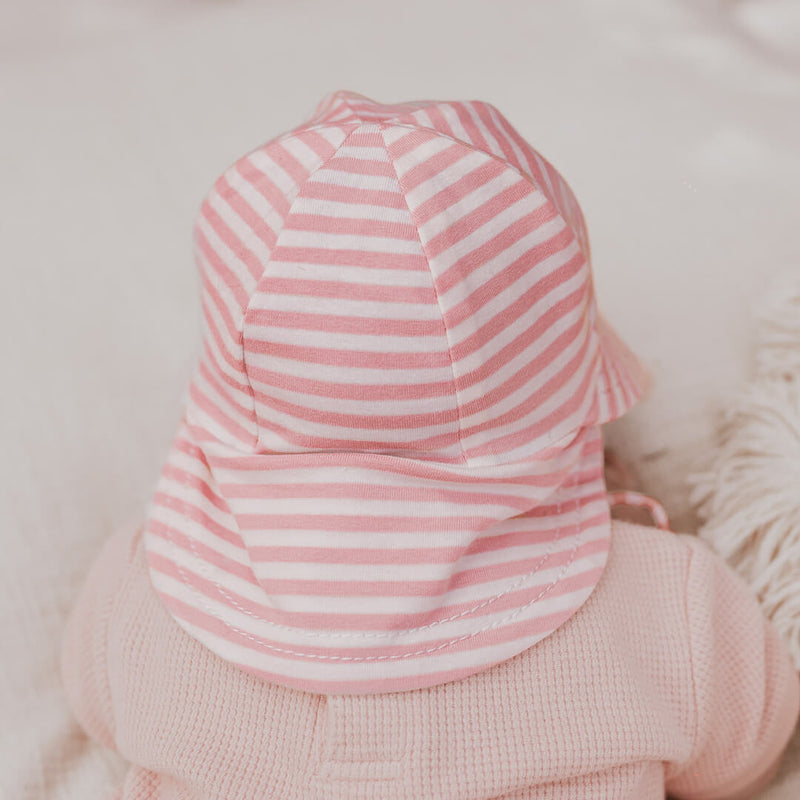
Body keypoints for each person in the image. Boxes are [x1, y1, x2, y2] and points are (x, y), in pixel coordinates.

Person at [61, 90, 799, 799]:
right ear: (570, 395)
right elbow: (745, 764)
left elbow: (97, 709)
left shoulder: (137, 586)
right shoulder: (675, 610)